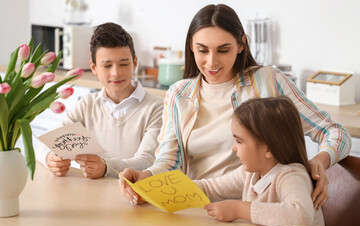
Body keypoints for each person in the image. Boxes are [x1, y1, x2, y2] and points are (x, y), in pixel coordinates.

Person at [119, 4, 351, 208]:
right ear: (191, 46)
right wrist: (146, 176)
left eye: (223, 50)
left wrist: (321, 160)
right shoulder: (179, 94)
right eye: (202, 50)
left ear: (241, 45)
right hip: (195, 205)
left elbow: (334, 131)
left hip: (260, 210)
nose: (211, 62)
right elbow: (169, 162)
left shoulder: (268, 80)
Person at [37, 22, 163, 179]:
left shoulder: (157, 108)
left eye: (124, 64)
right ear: (94, 67)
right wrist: (51, 158)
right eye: (107, 65)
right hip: (91, 193)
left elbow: (148, 162)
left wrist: (106, 167)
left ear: (134, 63)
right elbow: (45, 145)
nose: (116, 73)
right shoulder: (87, 105)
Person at [195, 96, 325, 226]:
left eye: (239, 141)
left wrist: (239, 209)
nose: (234, 148)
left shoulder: (291, 176)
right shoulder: (249, 173)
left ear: (268, 149)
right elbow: (211, 188)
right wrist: (174, 186)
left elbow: (301, 215)